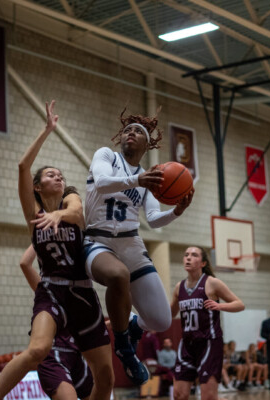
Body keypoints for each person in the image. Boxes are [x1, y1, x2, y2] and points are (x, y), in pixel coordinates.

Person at [0, 100, 113, 400]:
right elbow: (22, 166)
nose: (58, 176)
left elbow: (78, 214)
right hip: (52, 292)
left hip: (83, 294)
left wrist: (58, 215)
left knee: (106, 378)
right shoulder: (32, 214)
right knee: (39, 348)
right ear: (37, 187)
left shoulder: (71, 203)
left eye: (60, 174)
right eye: (50, 174)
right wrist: (46, 130)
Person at [83, 109, 194, 384]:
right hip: (97, 239)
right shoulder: (106, 156)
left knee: (161, 320)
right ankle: (123, 346)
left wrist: (177, 211)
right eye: (127, 130)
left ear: (147, 145)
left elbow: (154, 220)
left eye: (137, 132)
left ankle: (133, 325)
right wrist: (137, 181)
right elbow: (102, 182)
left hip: (130, 241)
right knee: (118, 275)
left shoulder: (147, 176)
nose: (130, 133)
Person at [19, 245, 93, 400]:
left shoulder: (82, 292)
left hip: (76, 356)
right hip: (53, 355)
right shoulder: (48, 289)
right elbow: (25, 263)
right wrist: (39, 239)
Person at [171, 246, 245, 400]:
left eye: (194, 255)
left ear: (203, 263)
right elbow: (170, 314)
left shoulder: (212, 283)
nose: (188, 258)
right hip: (187, 344)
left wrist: (220, 306)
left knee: (208, 396)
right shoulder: (179, 287)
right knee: (179, 394)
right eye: (186, 255)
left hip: (209, 343)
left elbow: (239, 304)